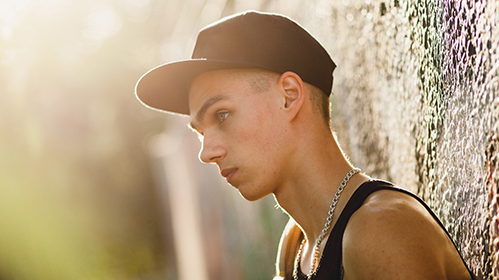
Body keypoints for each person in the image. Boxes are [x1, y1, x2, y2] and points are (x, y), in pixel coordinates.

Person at [135, 10, 476, 280]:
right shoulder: (297, 245)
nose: (206, 152)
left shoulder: (379, 230)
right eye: (199, 131)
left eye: (222, 116)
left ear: (289, 96)